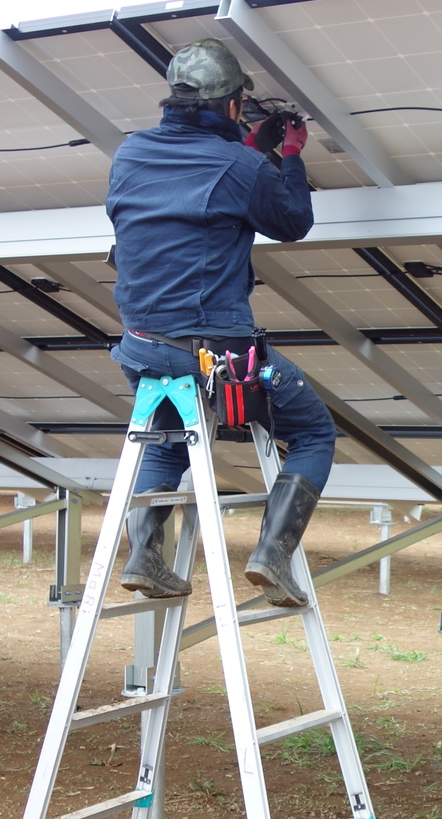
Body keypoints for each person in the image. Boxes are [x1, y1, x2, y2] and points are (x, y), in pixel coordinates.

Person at [105, 38, 338, 609]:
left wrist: (248, 149)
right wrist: (288, 156)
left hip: (141, 345)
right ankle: (272, 555)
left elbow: (193, 182)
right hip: (215, 353)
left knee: (165, 443)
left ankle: (145, 556)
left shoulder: (130, 153)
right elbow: (291, 221)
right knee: (313, 433)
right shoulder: (241, 165)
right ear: (234, 105)